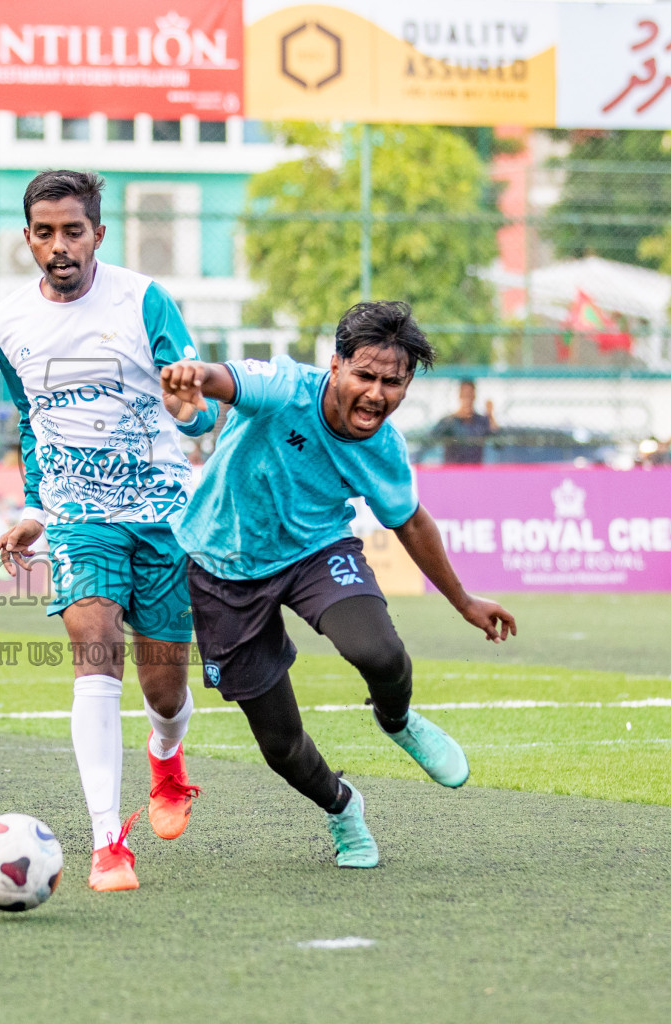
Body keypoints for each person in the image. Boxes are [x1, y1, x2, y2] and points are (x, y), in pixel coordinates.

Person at [160, 300, 515, 869]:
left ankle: (396, 719)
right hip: (221, 564)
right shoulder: (284, 386)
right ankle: (343, 806)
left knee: (378, 650)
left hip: (315, 551)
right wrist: (193, 376)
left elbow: (412, 521)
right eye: (365, 375)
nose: (377, 394)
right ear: (335, 365)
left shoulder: (383, 448)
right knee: (280, 745)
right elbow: (225, 379)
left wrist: (464, 600)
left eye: (393, 383)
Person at [0, 170, 219, 892]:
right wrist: (36, 510)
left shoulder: (143, 300)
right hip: (78, 521)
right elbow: (31, 421)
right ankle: (106, 842)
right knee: (96, 652)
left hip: (161, 516)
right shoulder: (6, 323)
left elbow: (203, 408)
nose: (59, 246)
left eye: (73, 231)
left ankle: (167, 758)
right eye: (44, 232)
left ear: (98, 235)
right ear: (27, 237)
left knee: (163, 686)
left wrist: (191, 413)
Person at [431, 378, 496, 464]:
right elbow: (432, 438)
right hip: (454, 469)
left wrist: (490, 415)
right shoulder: (450, 421)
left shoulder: (480, 421)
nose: (467, 399)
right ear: (460, 396)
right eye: (465, 396)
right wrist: (457, 415)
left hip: (474, 469)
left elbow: (498, 442)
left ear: (474, 397)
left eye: (470, 395)